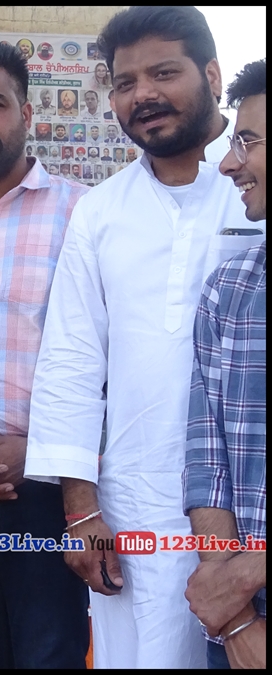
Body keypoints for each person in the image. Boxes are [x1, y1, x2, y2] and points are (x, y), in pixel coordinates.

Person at [24, 7, 265, 670]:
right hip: (133, 507)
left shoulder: (252, 186)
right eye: (124, 83)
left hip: (250, 509)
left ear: (211, 76)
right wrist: (81, 511)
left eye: (163, 73)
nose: (142, 95)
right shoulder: (100, 213)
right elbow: (71, 360)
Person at [183, 58, 266, 671]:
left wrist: (243, 577)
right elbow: (207, 462)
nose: (229, 163)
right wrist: (236, 616)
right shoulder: (228, 291)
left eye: (248, 141)